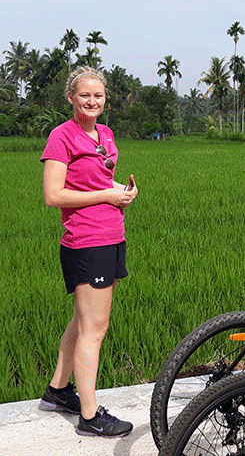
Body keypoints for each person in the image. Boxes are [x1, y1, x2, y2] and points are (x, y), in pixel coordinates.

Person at [38, 66, 138, 438]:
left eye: (98, 95)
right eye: (84, 95)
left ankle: (58, 390)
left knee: (83, 323)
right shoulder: (61, 137)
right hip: (85, 239)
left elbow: (99, 180)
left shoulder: (106, 134)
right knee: (95, 330)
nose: (92, 101)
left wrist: (121, 192)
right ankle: (90, 415)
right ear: (71, 98)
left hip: (111, 233)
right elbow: (54, 195)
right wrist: (107, 195)